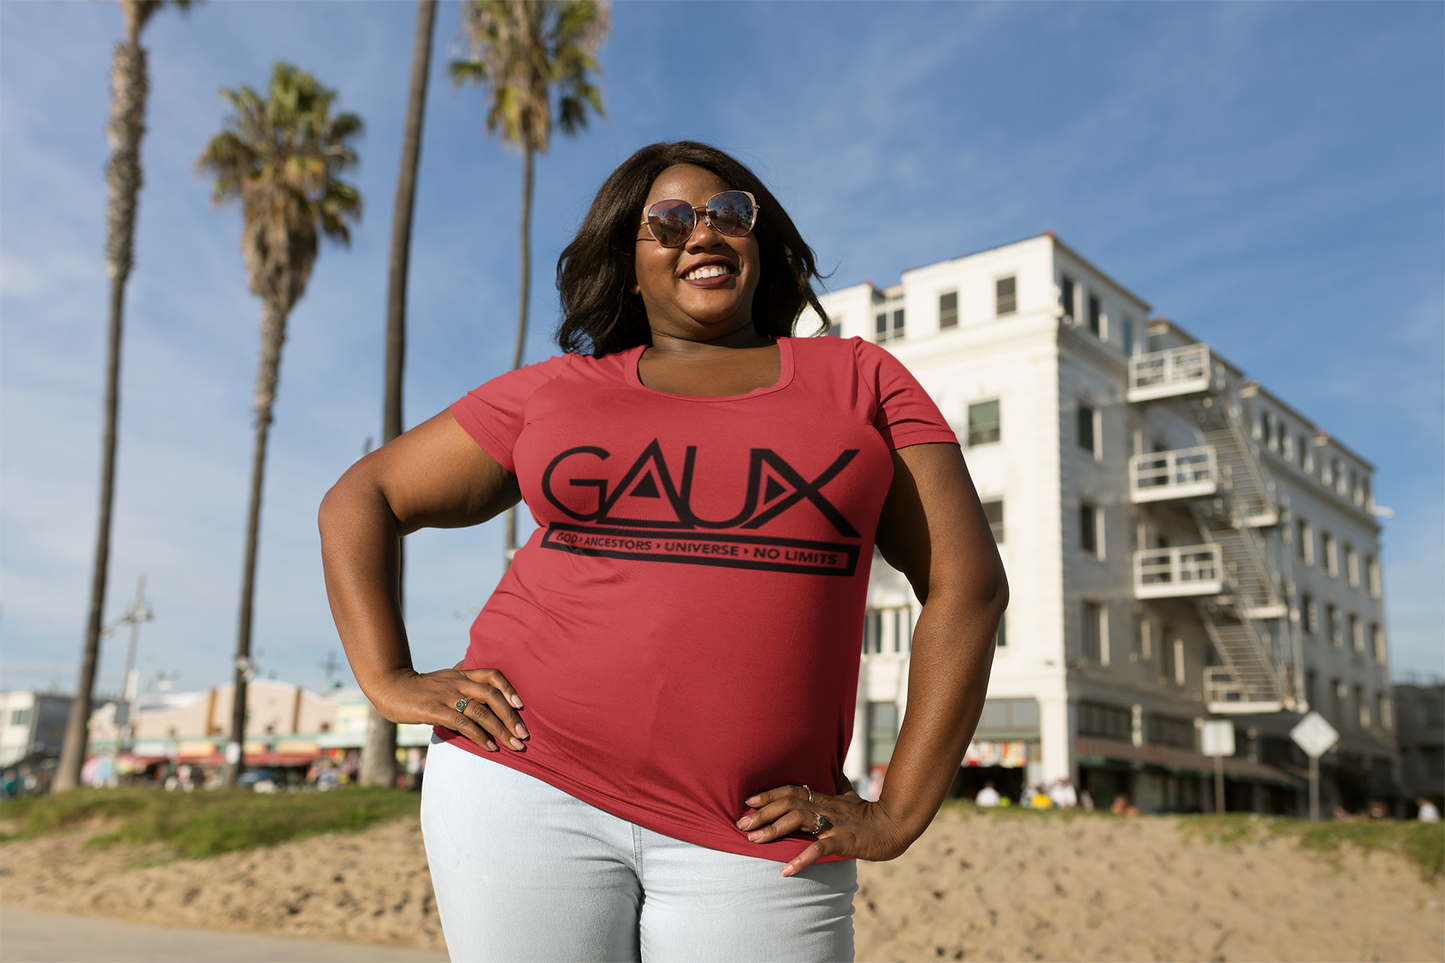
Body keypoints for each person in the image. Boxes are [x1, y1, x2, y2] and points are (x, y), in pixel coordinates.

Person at [320, 141, 1007, 963]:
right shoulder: (556, 392)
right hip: (524, 788)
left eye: (728, 214)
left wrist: (896, 811)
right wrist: (388, 678)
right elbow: (361, 498)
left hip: (760, 828)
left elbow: (967, 589)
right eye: (669, 221)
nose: (702, 234)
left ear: (762, 241)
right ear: (631, 258)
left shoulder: (860, 379)